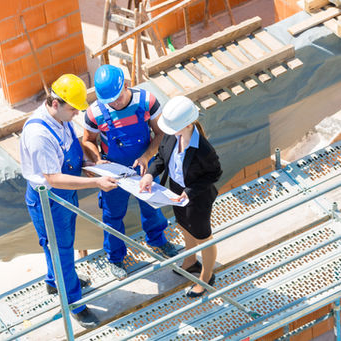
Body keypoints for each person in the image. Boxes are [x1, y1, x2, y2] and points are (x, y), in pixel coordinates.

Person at [20, 74, 118, 328]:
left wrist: (91, 163)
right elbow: (54, 178)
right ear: (55, 103)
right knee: (61, 250)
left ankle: (55, 282)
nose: (75, 114)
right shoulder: (40, 135)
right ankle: (75, 303)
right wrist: (96, 182)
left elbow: (72, 148)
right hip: (50, 199)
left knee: (60, 244)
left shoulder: (59, 119)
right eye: (72, 109)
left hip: (64, 195)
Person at [81, 65, 178, 280]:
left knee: (151, 205)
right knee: (112, 216)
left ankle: (158, 240)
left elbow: (161, 134)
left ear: (126, 84)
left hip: (143, 165)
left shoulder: (146, 101)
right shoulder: (95, 112)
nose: (114, 104)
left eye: (116, 98)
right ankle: (115, 258)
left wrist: (146, 157)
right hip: (113, 172)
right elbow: (87, 140)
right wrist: (97, 161)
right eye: (109, 101)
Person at [139, 96, 222, 298]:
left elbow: (215, 174)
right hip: (176, 192)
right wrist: (150, 173)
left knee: (203, 237)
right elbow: (160, 158)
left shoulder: (203, 149)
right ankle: (191, 260)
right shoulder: (171, 136)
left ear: (186, 125)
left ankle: (206, 276)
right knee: (183, 225)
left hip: (197, 198)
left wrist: (191, 191)